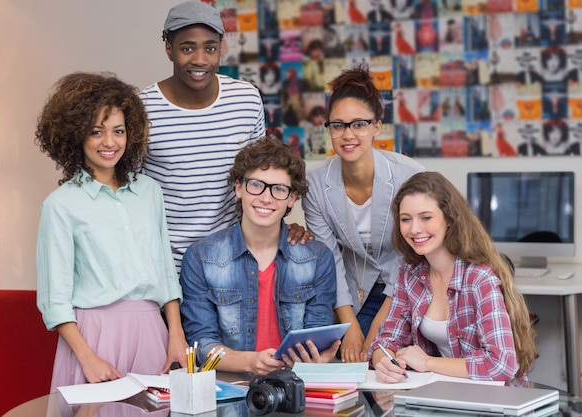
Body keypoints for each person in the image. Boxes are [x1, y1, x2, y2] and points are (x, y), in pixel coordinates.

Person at [35, 72, 187, 392]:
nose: (110, 142)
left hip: (152, 334)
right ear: (76, 134)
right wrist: (87, 358)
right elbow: (54, 300)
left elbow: (165, 273)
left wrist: (176, 336)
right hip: (93, 338)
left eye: (118, 131)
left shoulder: (150, 191)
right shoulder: (60, 206)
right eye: (96, 131)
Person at [140, 0, 308, 271]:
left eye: (210, 48)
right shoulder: (141, 109)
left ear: (221, 48)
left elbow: (259, 178)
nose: (200, 59)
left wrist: (282, 227)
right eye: (187, 48)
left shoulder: (247, 99)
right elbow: (130, 193)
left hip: (235, 261)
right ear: (169, 49)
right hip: (166, 266)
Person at [180, 137, 339, 375]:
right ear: (238, 188)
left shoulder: (318, 259)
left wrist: (318, 357)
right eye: (256, 185)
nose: (266, 198)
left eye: (279, 189)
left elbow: (317, 334)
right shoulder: (200, 258)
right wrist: (249, 362)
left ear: (291, 199)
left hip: (294, 384)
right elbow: (201, 345)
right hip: (231, 387)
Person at [302, 66, 424, 363]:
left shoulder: (409, 178)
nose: (348, 135)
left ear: (376, 126)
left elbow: (409, 256)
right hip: (352, 287)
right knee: (346, 358)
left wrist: (374, 332)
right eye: (338, 125)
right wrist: (351, 327)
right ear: (328, 128)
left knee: (381, 357)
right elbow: (328, 259)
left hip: (409, 281)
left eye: (359, 124)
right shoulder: (316, 186)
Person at [370, 172, 536, 384]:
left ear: (449, 219)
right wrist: (382, 360)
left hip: (495, 400)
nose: (414, 229)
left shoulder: (478, 278)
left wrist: (428, 362)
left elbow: (501, 364)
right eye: (405, 219)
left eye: (426, 217)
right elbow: (387, 338)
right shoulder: (409, 273)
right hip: (443, 394)